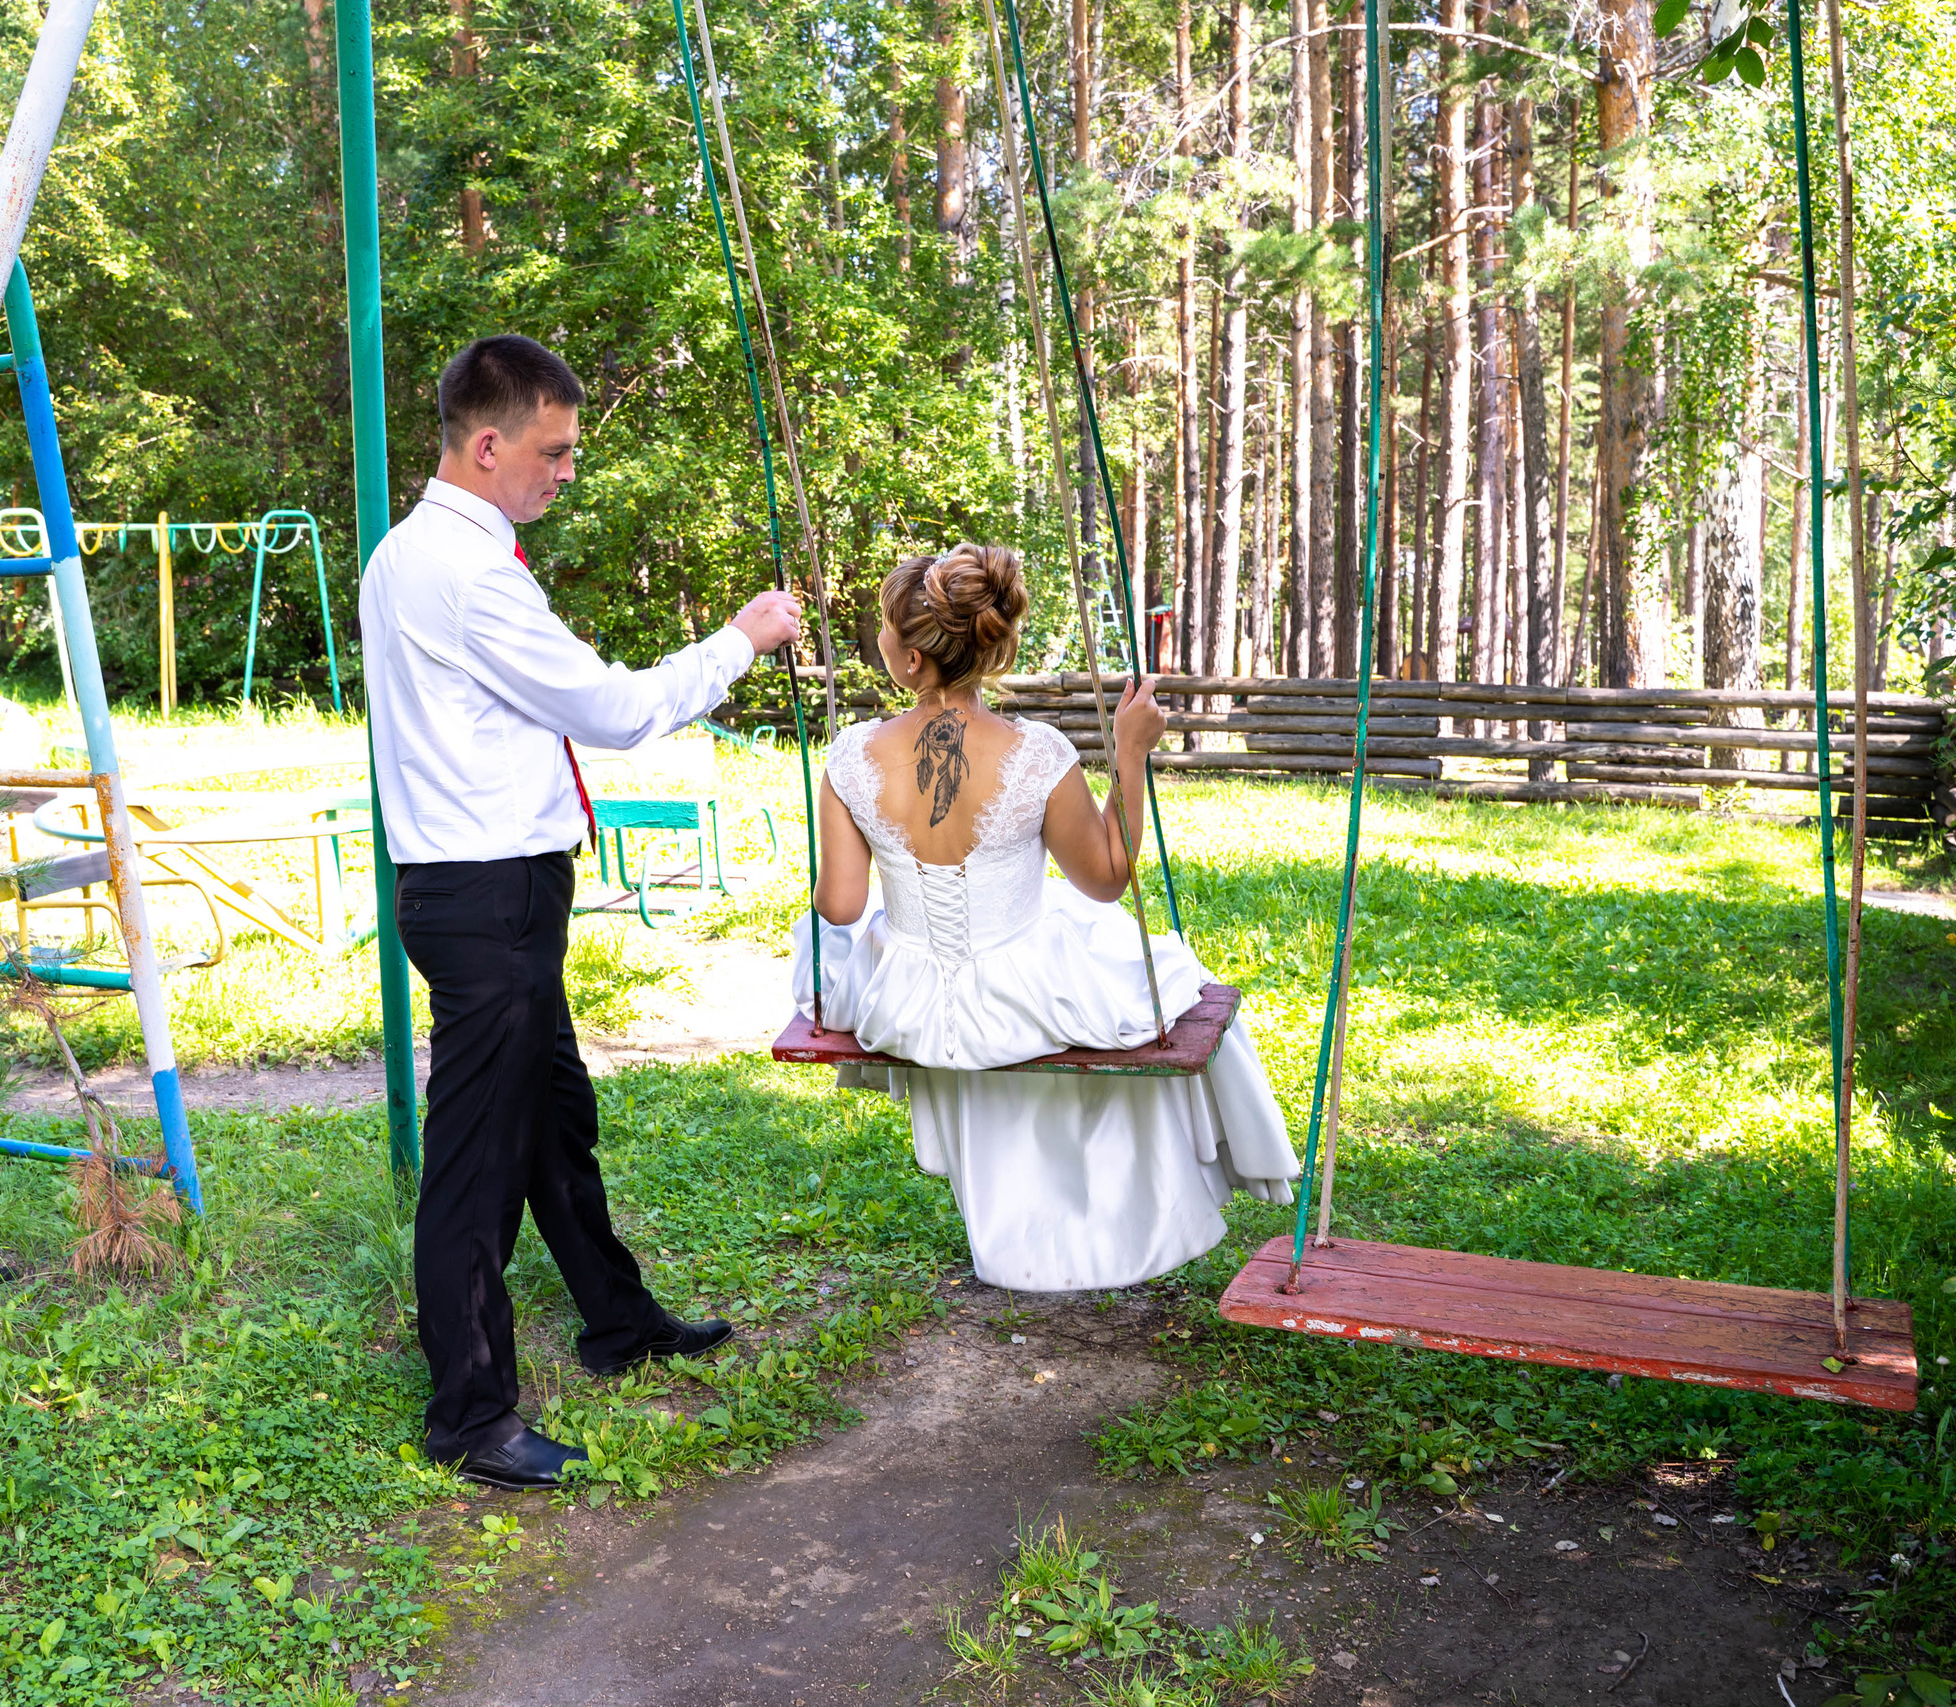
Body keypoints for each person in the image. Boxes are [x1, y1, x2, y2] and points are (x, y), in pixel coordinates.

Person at [363, 334, 803, 1489]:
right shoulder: (468, 573)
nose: (566, 472)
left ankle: (616, 1319)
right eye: (552, 452)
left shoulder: (416, 552)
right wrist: (739, 641)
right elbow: (610, 711)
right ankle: (470, 1415)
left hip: (490, 886)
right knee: (478, 1161)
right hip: (488, 892)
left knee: (555, 1118)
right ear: (488, 445)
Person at [792, 544, 1298, 1292]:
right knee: (1159, 964)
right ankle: (1132, 1198)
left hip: (907, 1009)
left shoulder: (850, 757)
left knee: (1087, 934)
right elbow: (1106, 879)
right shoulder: (1036, 753)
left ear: (909, 659)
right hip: (1024, 1000)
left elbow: (838, 906)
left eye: (885, 629)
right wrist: (1130, 753)